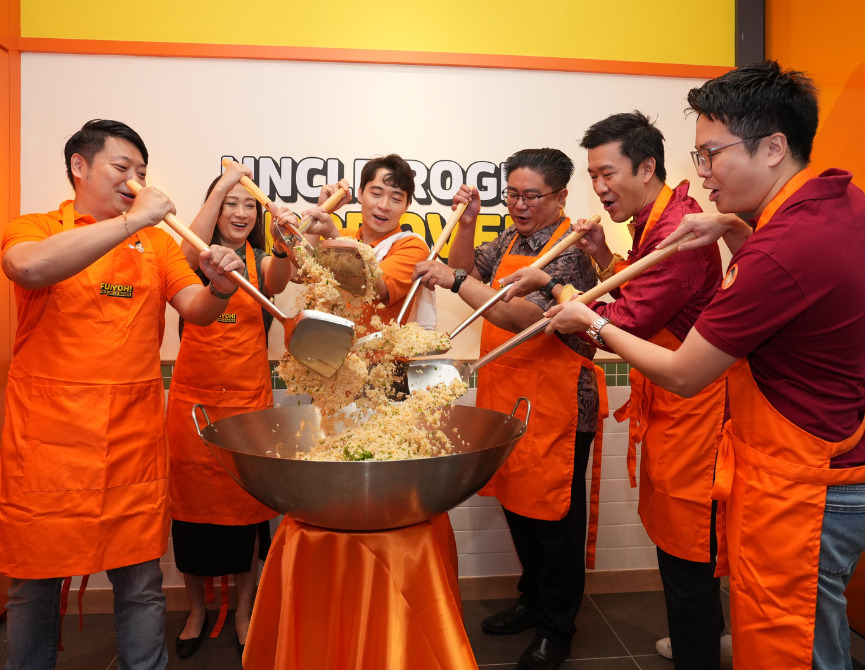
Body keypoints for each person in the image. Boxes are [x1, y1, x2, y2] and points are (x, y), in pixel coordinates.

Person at [543, 62, 865, 670]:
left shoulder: (781, 249)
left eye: (711, 154)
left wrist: (589, 322)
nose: (701, 172)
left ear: (774, 148)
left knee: (790, 648)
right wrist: (732, 225)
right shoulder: (837, 200)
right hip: (837, 454)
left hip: (808, 483)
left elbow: (685, 372)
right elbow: (793, 291)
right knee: (814, 635)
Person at [0, 119, 246, 670]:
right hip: (49, 447)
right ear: (79, 166)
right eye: (122, 168)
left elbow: (196, 310)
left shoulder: (157, 244)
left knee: (141, 584)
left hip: (131, 444)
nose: (135, 181)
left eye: (142, 173)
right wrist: (131, 221)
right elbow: (28, 267)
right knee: (33, 585)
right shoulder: (35, 227)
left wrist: (221, 287)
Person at [497, 113, 730, 668]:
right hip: (670, 405)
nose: (600, 188)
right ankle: (702, 636)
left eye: (608, 174)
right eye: (593, 176)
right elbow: (637, 285)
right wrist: (603, 256)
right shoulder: (655, 221)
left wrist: (552, 283)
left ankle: (698, 650)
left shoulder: (678, 232)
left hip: (693, 408)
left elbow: (627, 319)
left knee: (687, 545)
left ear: (646, 168)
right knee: (681, 541)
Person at [414, 148, 605, 670]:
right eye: (512, 194)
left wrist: (456, 282)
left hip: (560, 404)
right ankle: (533, 599)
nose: (519, 205)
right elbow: (462, 268)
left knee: (555, 521)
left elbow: (525, 318)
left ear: (560, 196)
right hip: (511, 396)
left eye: (531, 196)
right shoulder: (510, 241)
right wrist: (468, 223)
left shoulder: (570, 252)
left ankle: (557, 627)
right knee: (518, 506)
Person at [166, 163, 294, 657]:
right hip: (194, 407)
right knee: (190, 519)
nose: (240, 213)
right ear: (214, 209)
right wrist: (225, 181)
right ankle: (196, 611)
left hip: (246, 409)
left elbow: (278, 282)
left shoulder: (260, 261)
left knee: (246, 517)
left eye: (248, 205)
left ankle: (243, 611)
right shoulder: (197, 258)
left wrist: (281, 244)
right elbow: (182, 253)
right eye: (228, 204)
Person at [284, 154, 435, 330]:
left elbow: (373, 289)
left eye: (396, 199)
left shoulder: (412, 246)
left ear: (406, 206)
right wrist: (322, 208)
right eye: (376, 194)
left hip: (379, 347)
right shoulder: (343, 235)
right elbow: (297, 273)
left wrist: (333, 236)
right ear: (361, 194)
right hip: (327, 343)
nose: (384, 206)